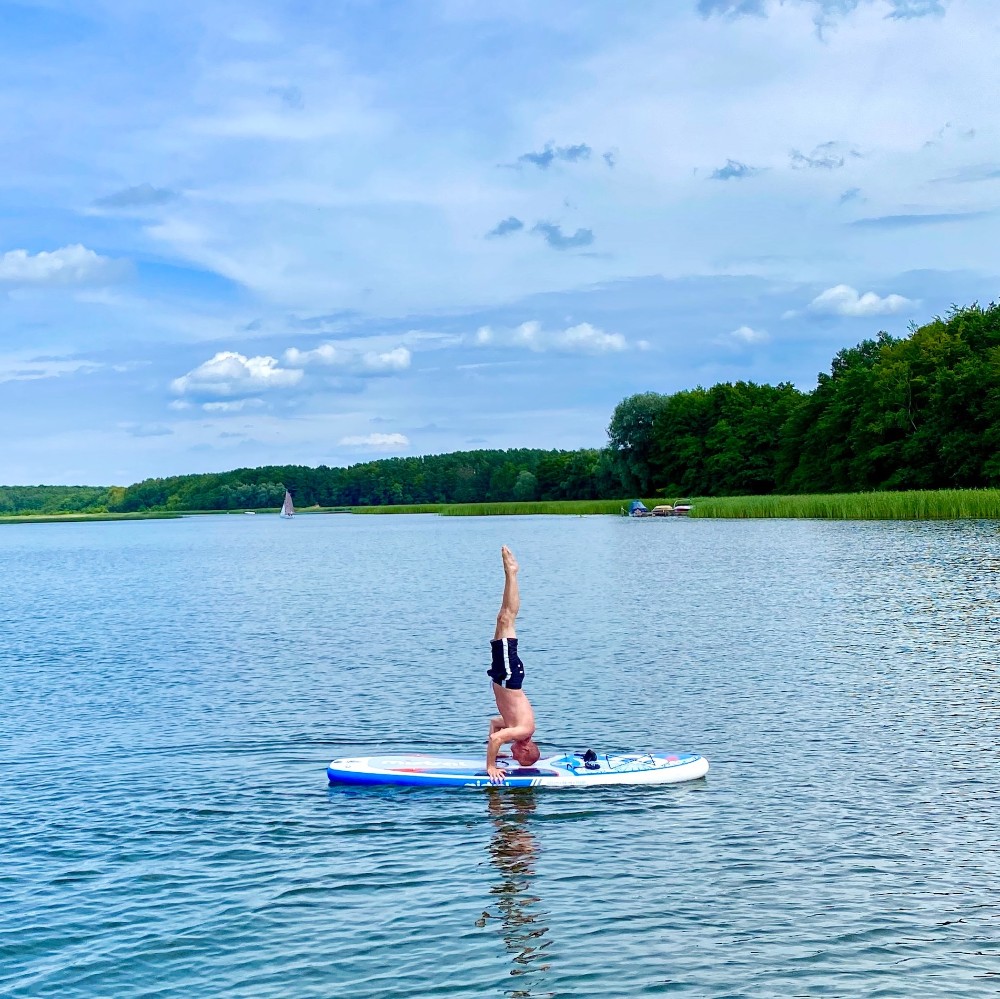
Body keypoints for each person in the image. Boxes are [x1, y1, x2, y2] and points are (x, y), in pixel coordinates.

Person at [485, 546, 540, 783]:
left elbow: (495, 725)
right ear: (525, 750)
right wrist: (491, 766)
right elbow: (496, 739)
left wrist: (497, 755)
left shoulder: (516, 728)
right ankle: (512, 573)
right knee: (507, 618)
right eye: (519, 758)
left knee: (502, 618)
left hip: (504, 676)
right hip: (509, 676)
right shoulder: (523, 731)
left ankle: (511, 574)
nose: (514, 757)